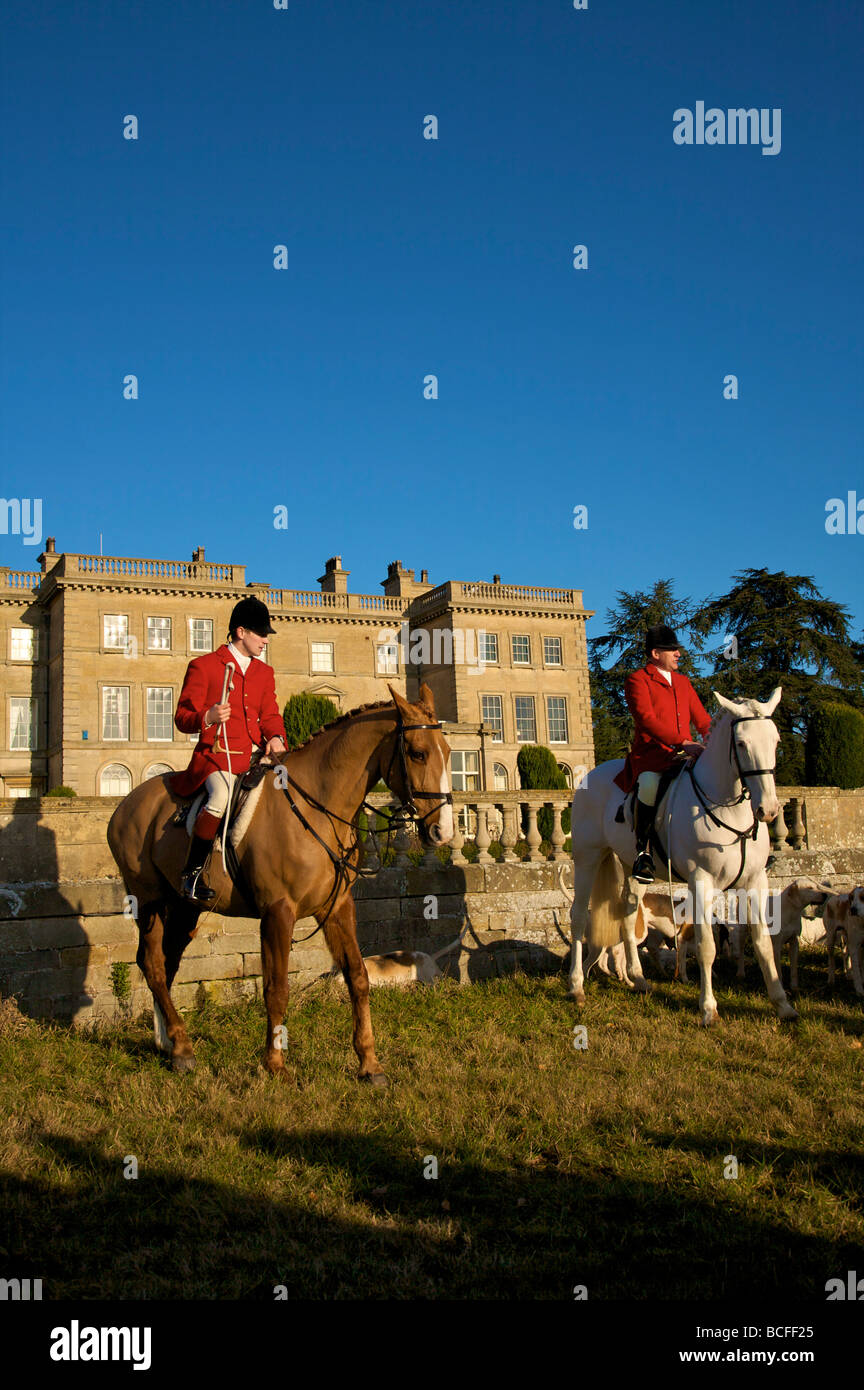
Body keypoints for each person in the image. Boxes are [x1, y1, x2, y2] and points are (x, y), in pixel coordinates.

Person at [172, 596, 287, 902]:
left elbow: (271, 715)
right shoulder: (205, 666)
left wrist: (275, 736)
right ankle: (192, 875)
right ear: (240, 632)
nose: (265, 640)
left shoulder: (264, 673)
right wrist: (206, 717)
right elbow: (182, 718)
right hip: (216, 756)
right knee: (220, 795)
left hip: (254, 759)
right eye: (260, 633)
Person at [614, 624, 711, 883]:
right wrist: (683, 742)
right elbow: (646, 720)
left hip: (686, 754)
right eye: (672, 650)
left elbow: (702, 719)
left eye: (677, 650)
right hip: (653, 756)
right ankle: (643, 852)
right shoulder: (637, 680)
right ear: (656, 654)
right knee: (648, 784)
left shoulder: (683, 682)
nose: (678, 654)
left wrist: (713, 739)